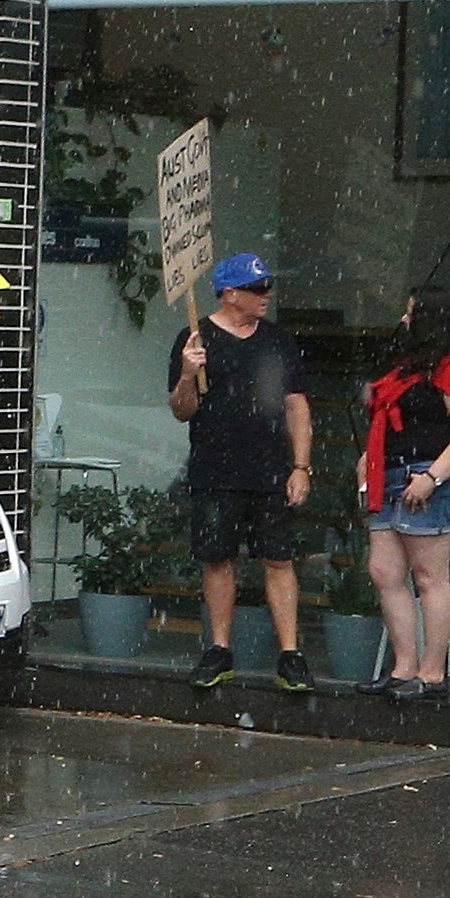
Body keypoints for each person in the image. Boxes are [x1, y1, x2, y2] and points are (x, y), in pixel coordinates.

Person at [167, 252, 314, 693]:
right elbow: (180, 410)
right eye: (257, 288)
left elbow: (296, 405)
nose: (266, 295)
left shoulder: (278, 341)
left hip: (270, 467)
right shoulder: (194, 339)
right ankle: (219, 648)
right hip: (216, 466)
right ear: (230, 294)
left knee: (278, 557)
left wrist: (300, 465)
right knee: (217, 558)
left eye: (267, 286)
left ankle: (290, 653)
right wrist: (188, 375)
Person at [358, 288, 450, 701]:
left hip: (426, 474)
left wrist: (432, 477)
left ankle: (432, 673)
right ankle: (404, 667)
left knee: (430, 577)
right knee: (385, 571)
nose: (404, 319)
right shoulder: (409, 364)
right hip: (392, 471)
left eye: (411, 312)